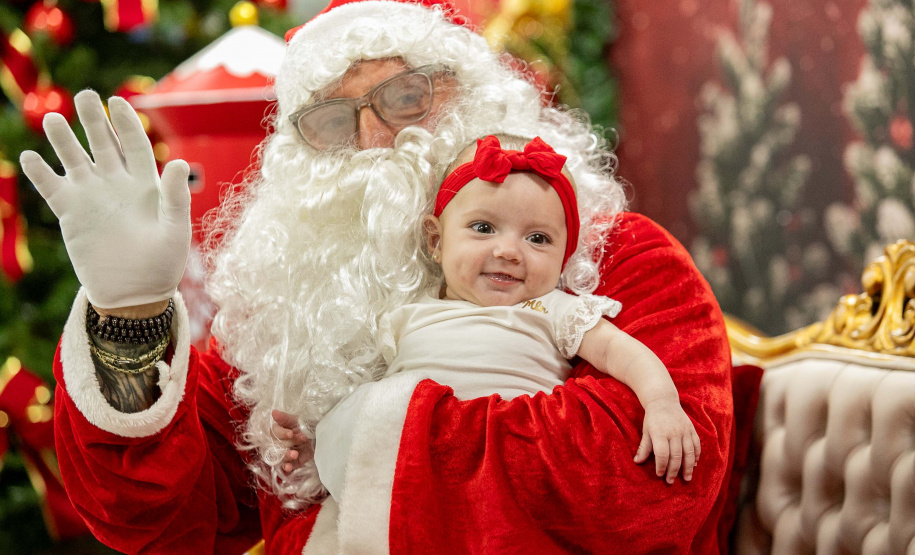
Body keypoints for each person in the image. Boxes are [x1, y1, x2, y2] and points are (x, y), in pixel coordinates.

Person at [21, 0, 734, 552]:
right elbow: (164, 522)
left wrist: (361, 431)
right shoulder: (291, 306)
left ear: (475, 95)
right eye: (333, 121)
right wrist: (133, 315)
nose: (373, 141)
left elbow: (648, 488)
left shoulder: (616, 257)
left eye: (404, 98)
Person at [275, 135, 702, 495]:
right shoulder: (410, 314)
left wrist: (662, 404)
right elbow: (374, 419)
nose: (508, 251)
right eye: (483, 228)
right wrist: (320, 449)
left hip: (508, 467)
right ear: (436, 241)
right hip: (415, 473)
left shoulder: (550, 308)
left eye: (537, 238)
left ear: (564, 257)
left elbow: (623, 353)